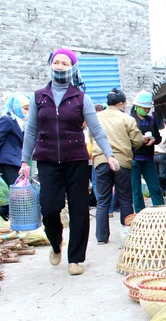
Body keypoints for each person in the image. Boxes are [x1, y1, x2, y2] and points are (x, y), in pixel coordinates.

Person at [20, 48, 119, 275]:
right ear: (50, 64)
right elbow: (31, 130)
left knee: (79, 209)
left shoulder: (81, 98)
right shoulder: (38, 97)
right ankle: (56, 244)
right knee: (50, 208)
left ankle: (75, 259)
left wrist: (109, 154)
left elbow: (97, 130)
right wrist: (25, 161)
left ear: (73, 68)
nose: (60, 66)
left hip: (75, 159)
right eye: (57, 62)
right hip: (46, 159)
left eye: (65, 63)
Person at [91, 88, 144, 244]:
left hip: (101, 161)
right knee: (125, 199)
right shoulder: (127, 119)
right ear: (121, 103)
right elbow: (138, 140)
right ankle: (127, 236)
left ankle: (101, 237)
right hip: (122, 161)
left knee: (102, 200)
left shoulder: (96, 117)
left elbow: (91, 137)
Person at [130, 91, 164, 213]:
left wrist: (154, 139)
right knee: (136, 190)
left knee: (155, 187)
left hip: (149, 159)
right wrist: (140, 139)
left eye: (148, 108)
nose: (147, 110)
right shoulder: (130, 120)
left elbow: (158, 137)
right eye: (145, 108)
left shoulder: (151, 120)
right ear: (137, 106)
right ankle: (140, 214)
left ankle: (161, 213)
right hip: (135, 159)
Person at [0, 94, 29, 219]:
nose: (27, 112)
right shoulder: (7, 119)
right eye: (25, 108)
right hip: (8, 161)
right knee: (16, 192)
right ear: (16, 107)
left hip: (16, 161)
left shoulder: (19, 122)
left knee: (17, 192)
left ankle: (12, 216)